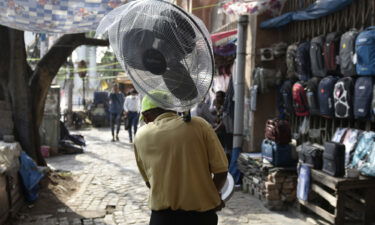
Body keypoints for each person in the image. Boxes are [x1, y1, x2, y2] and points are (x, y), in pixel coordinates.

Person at [134, 93, 228, 225]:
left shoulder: (140, 135)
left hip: (162, 219)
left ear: (146, 115)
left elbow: (150, 183)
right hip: (201, 218)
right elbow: (221, 171)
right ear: (173, 109)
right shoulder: (199, 125)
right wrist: (212, 196)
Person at [213, 91, 233, 161]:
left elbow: (223, 124)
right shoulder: (221, 108)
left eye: (219, 96)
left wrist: (213, 131)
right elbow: (218, 119)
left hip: (228, 133)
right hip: (223, 134)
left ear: (223, 98)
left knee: (227, 152)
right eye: (216, 97)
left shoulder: (226, 108)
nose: (217, 98)